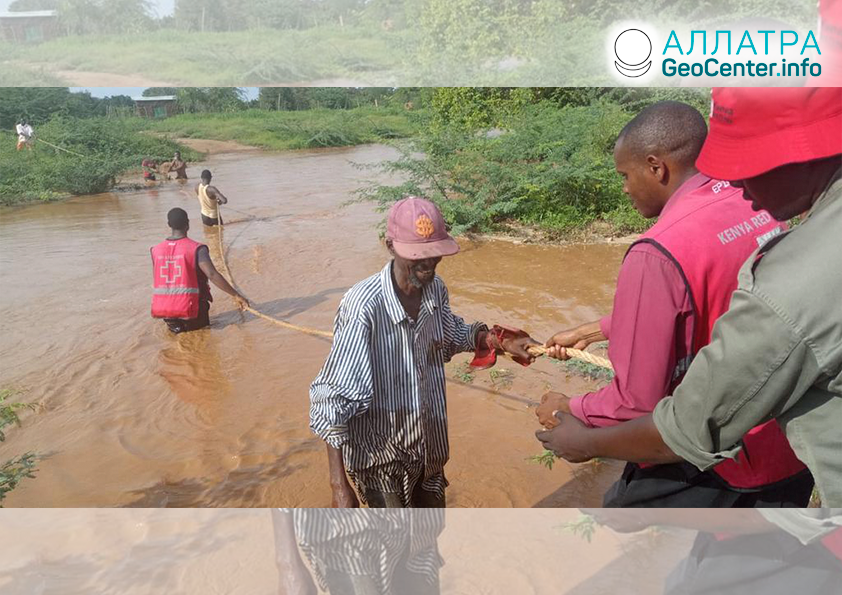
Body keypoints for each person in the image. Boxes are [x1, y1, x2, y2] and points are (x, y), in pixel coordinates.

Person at [536, 87, 842, 506]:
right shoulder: (767, 206)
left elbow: (636, 405)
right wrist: (596, 330)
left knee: (622, 518)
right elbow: (721, 298)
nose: (624, 189)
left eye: (624, 176)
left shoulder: (655, 253)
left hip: (723, 463)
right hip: (793, 451)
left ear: (656, 167)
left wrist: (571, 411)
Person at [310, 197, 538, 508]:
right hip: (381, 459)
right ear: (390, 246)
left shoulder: (435, 289)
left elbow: (449, 335)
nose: (428, 264)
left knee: (429, 533)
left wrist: (497, 340)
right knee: (393, 538)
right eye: (417, 256)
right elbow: (333, 397)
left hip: (429, 452)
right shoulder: (363, 306)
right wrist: (338, 485)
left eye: (434, 254)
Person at [151, 207, 248, 333]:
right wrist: (236, 295)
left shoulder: (155, 250)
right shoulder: (196, 249)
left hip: (166, 311)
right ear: (188, 224)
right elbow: (212, 274)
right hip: (191, 308)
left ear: (169, 225)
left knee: (180, 340)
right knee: (203, 338)